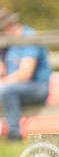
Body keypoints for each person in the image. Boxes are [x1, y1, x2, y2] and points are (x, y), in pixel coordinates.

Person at [0, 10, 51, 140]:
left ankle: (14, 134)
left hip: (37, 88)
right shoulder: (9, 44)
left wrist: (3, 81)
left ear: (8, 26)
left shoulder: (28, 37)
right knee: (6, 90)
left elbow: (25, 73)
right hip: (14, 89)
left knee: (5, 90)